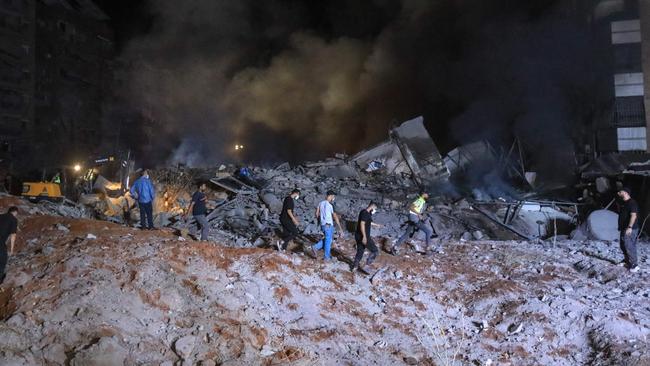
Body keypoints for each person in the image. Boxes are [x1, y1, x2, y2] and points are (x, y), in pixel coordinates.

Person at [311, 190, 344, 260]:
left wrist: (322, 219)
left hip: (323, 224)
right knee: (328, 242)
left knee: (327, 239)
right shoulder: (330, 205)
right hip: (328, 225)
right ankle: (327, 257)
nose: (333, 198)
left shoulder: (320, 203)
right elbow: (335, 216)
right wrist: (340, 227)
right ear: (331, 196)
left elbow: (316, 214)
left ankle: (315, 247)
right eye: (333, 196)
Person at [351, 202, 382, 272]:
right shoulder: (366, 214)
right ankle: (367, 265)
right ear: (372, 206)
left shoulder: (364, 212)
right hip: (363, 236)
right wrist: (364, 237)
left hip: (358, 235)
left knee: (360, 251)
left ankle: (355, 266)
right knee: (375, 251)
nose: (375, 210)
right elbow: (362, 224)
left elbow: (368, 222)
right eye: (375, 208)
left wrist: (376, 225)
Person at [617, 187, 640, 273]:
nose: (618, 193)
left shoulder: (632, 203)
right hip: (624, 228)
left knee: (629, 245)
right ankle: (627, 261)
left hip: (631, 228)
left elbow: (633, 215)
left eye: (620, 191)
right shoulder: (624, 203)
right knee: (623, 245)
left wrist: (630, 227)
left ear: (626, 193)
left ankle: (635, 264)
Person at [0, 206, 18, 284]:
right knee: (2, 261)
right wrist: (11, 250)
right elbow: (13, 235)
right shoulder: (13, 219)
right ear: (15, 212)